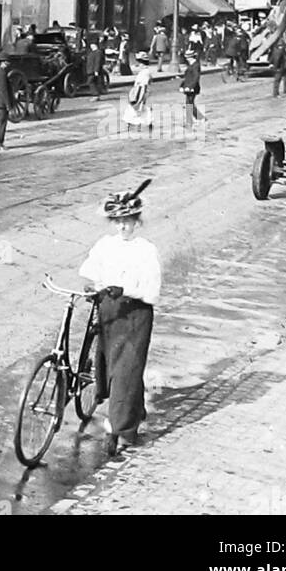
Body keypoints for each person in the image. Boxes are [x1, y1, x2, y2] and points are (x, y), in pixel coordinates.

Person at [79, 180, 160, 454]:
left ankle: (120, 430)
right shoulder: (105, 244)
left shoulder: (146, 250)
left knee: (126, 370)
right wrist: (94, 284)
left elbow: (152, 290)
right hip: (110, 312)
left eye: (128, 221)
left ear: (137, 221)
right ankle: (134, 411)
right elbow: (90, 268)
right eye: (118, 222)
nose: (123, 227)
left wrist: (126, 290)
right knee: (115, 368)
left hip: (135, 315)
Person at [122, 53, 154, 133]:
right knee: (141, 111)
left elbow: (143, 86)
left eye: (140, 63)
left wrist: (139, 98)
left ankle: (136, 125)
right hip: (141, 93)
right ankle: (142, 125)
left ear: (143, 64)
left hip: (141, 93)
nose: (139, 65)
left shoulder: (145, 73)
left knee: (138, 109)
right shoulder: (144, 72)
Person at [179, 51, 202, 126]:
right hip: (188, 87)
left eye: (187, 58)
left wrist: (191, 87)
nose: (186, 59)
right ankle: (197, 119)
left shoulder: (195, 65)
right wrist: (182, 86)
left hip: (193, 88)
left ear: (191, 57)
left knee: (189, 104)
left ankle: (196, 119)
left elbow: (196, 77)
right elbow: (187, 78)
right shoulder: (191, 65)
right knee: (189, 104)